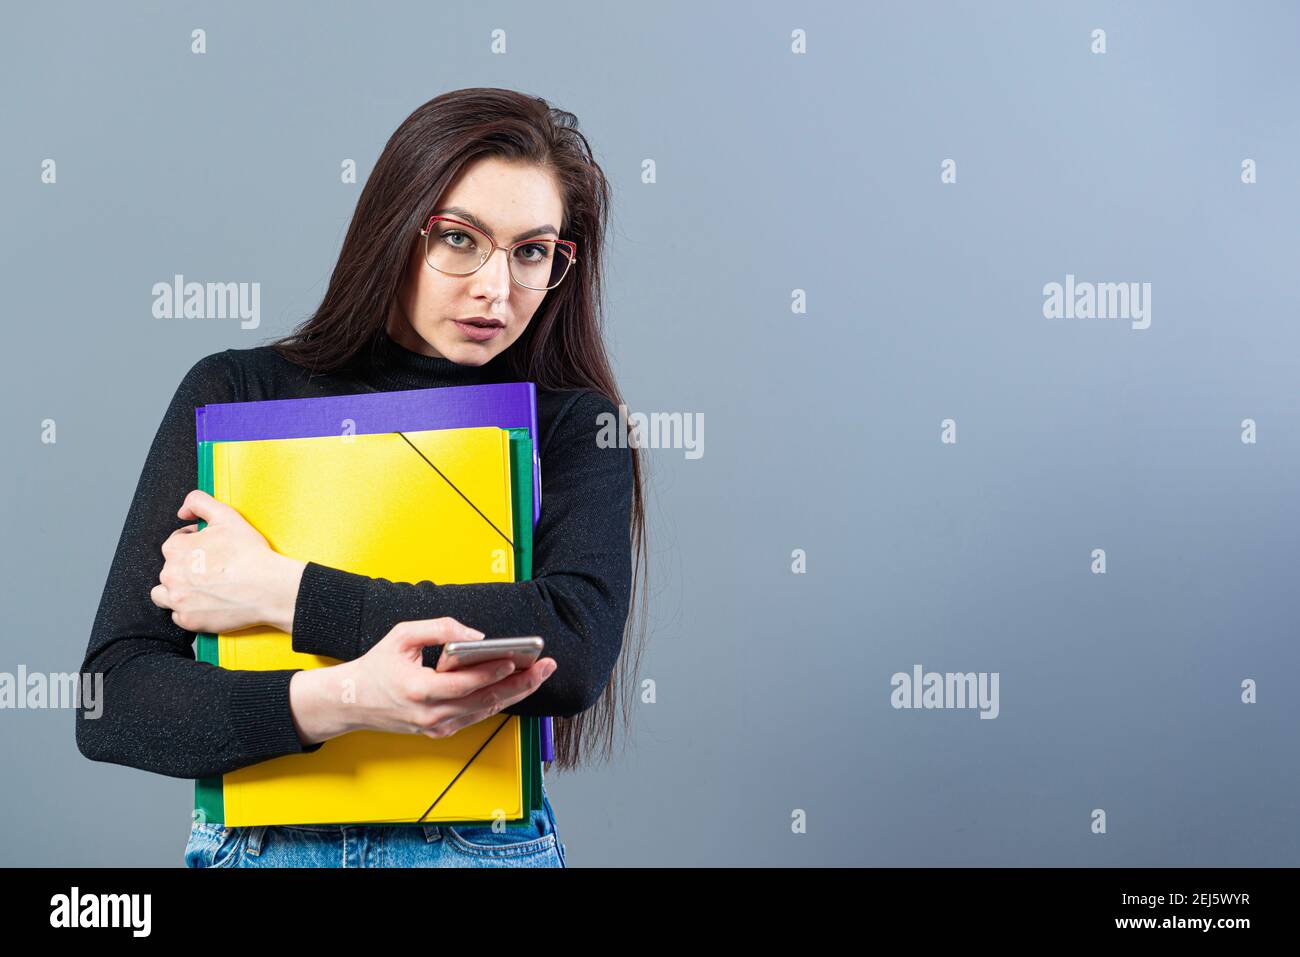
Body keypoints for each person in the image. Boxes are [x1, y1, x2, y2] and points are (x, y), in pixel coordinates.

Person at [75, 87, 649, 868]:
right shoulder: (237, 393)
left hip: (481, 848)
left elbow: (571, 644)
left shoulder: (572, 425)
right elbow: (115, 702)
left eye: (530, 251)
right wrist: (345, 700)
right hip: (260, 846)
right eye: (458, 239)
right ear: (395, 228)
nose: (495, 287)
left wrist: (280, 590)